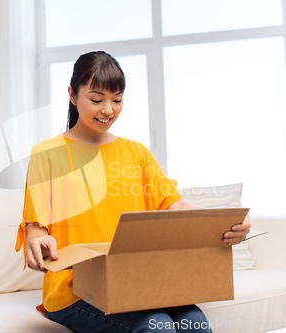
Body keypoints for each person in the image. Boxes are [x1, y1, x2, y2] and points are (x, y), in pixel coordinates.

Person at [15, 51, 251, 333]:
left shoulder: (136, 153)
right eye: (96, 99)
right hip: (75, 287)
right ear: (72, 94)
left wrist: (226, 222)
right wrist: (37, 240)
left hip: (137, 280)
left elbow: (175, 206)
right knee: (157, 327)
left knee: (195, 324)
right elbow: (36, 227)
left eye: (117, 100)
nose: (108, 110)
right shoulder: (47, 154)